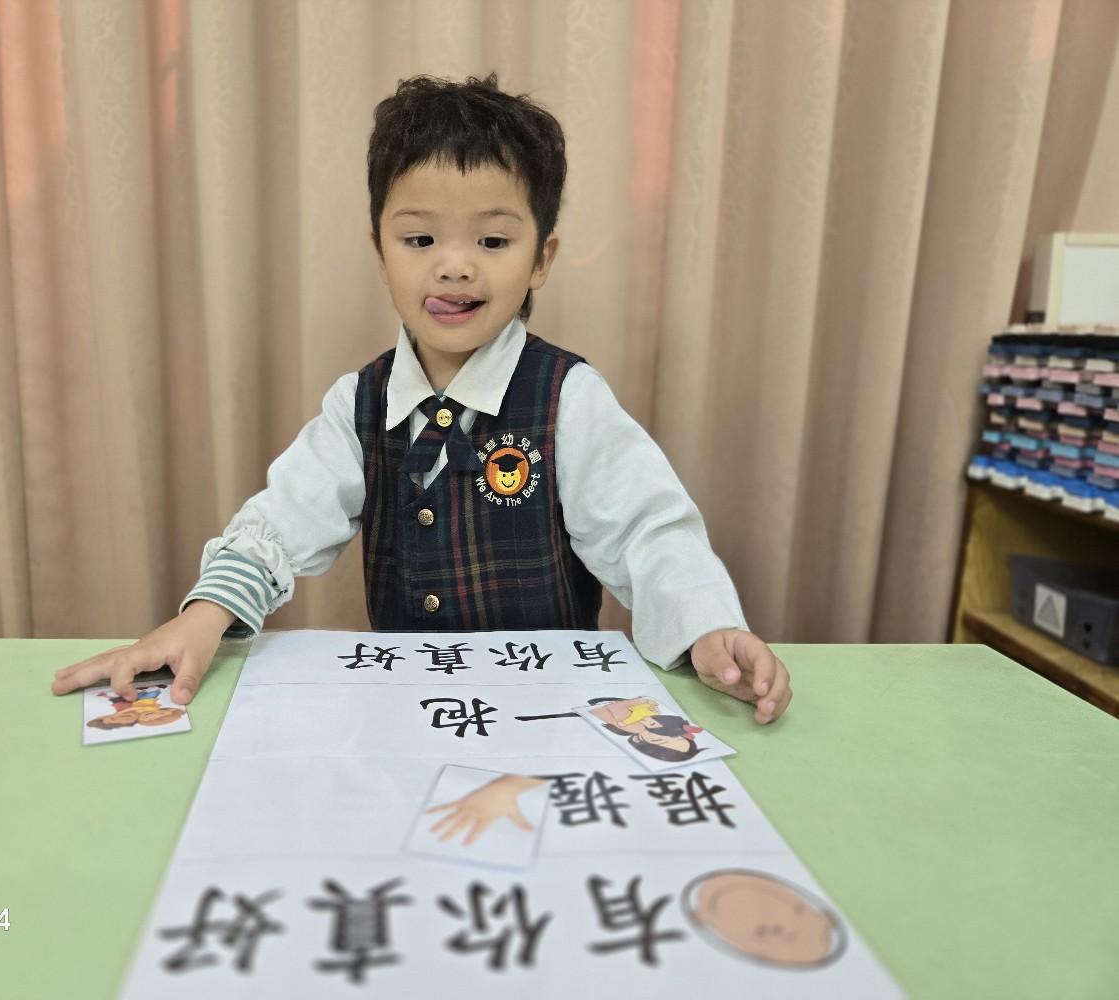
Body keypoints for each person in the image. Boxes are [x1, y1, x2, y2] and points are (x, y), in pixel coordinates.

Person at [52, 74, 792, 725]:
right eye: (418, 240)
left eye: (493, 242)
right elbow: (279, 521)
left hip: (550, 710)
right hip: (405, 713)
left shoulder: (568, 398)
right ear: (379, 251)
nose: (454, 266)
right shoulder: (359, 404)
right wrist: (204, 615)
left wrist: (707, 628)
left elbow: (648, 533)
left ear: (542, 259)